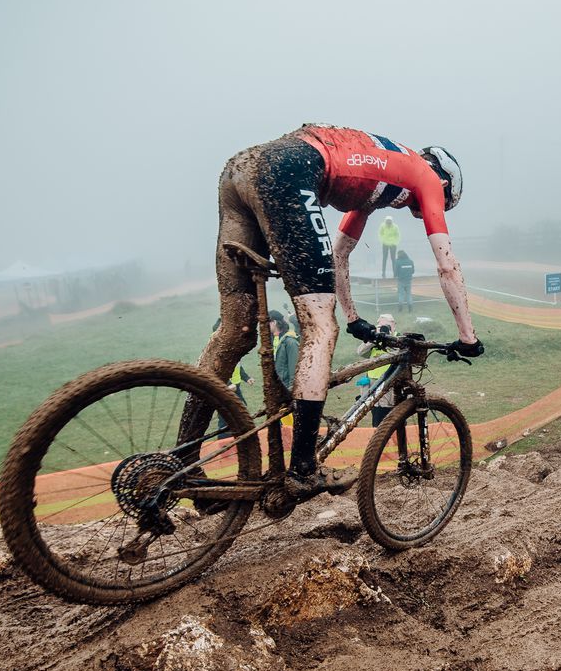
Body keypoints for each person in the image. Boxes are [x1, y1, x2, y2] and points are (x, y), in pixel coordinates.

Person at [185, 123, 482, 500]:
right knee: (320, 329)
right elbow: (446, 266)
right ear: (443, 181)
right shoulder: (424, 176)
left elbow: (340, 253)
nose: (421, 213)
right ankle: (304, 469)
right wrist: (468, 337)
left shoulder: (380, 175)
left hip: (240, 170)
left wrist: (355, 317)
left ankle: (181, 467)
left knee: (235, 330)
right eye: (433, 205)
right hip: (288, 170)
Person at [355, 313, 397, 425]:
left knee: (394, 416)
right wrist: (374, 338)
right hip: (373, 384)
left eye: (386, 326)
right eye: (380, 326)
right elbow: (360, 352)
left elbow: (400, 353)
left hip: (390, 384)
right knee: (377, 417)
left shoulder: (399, 338)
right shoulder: (374, 340)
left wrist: (389, 338)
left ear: (394, 325)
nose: (384, 329)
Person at [269, 309, 299, 392]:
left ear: (274, 322)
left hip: (286, 388)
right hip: (275, 387)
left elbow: (294, 368)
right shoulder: (270, 340)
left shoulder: (290, 342)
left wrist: (291, 389)